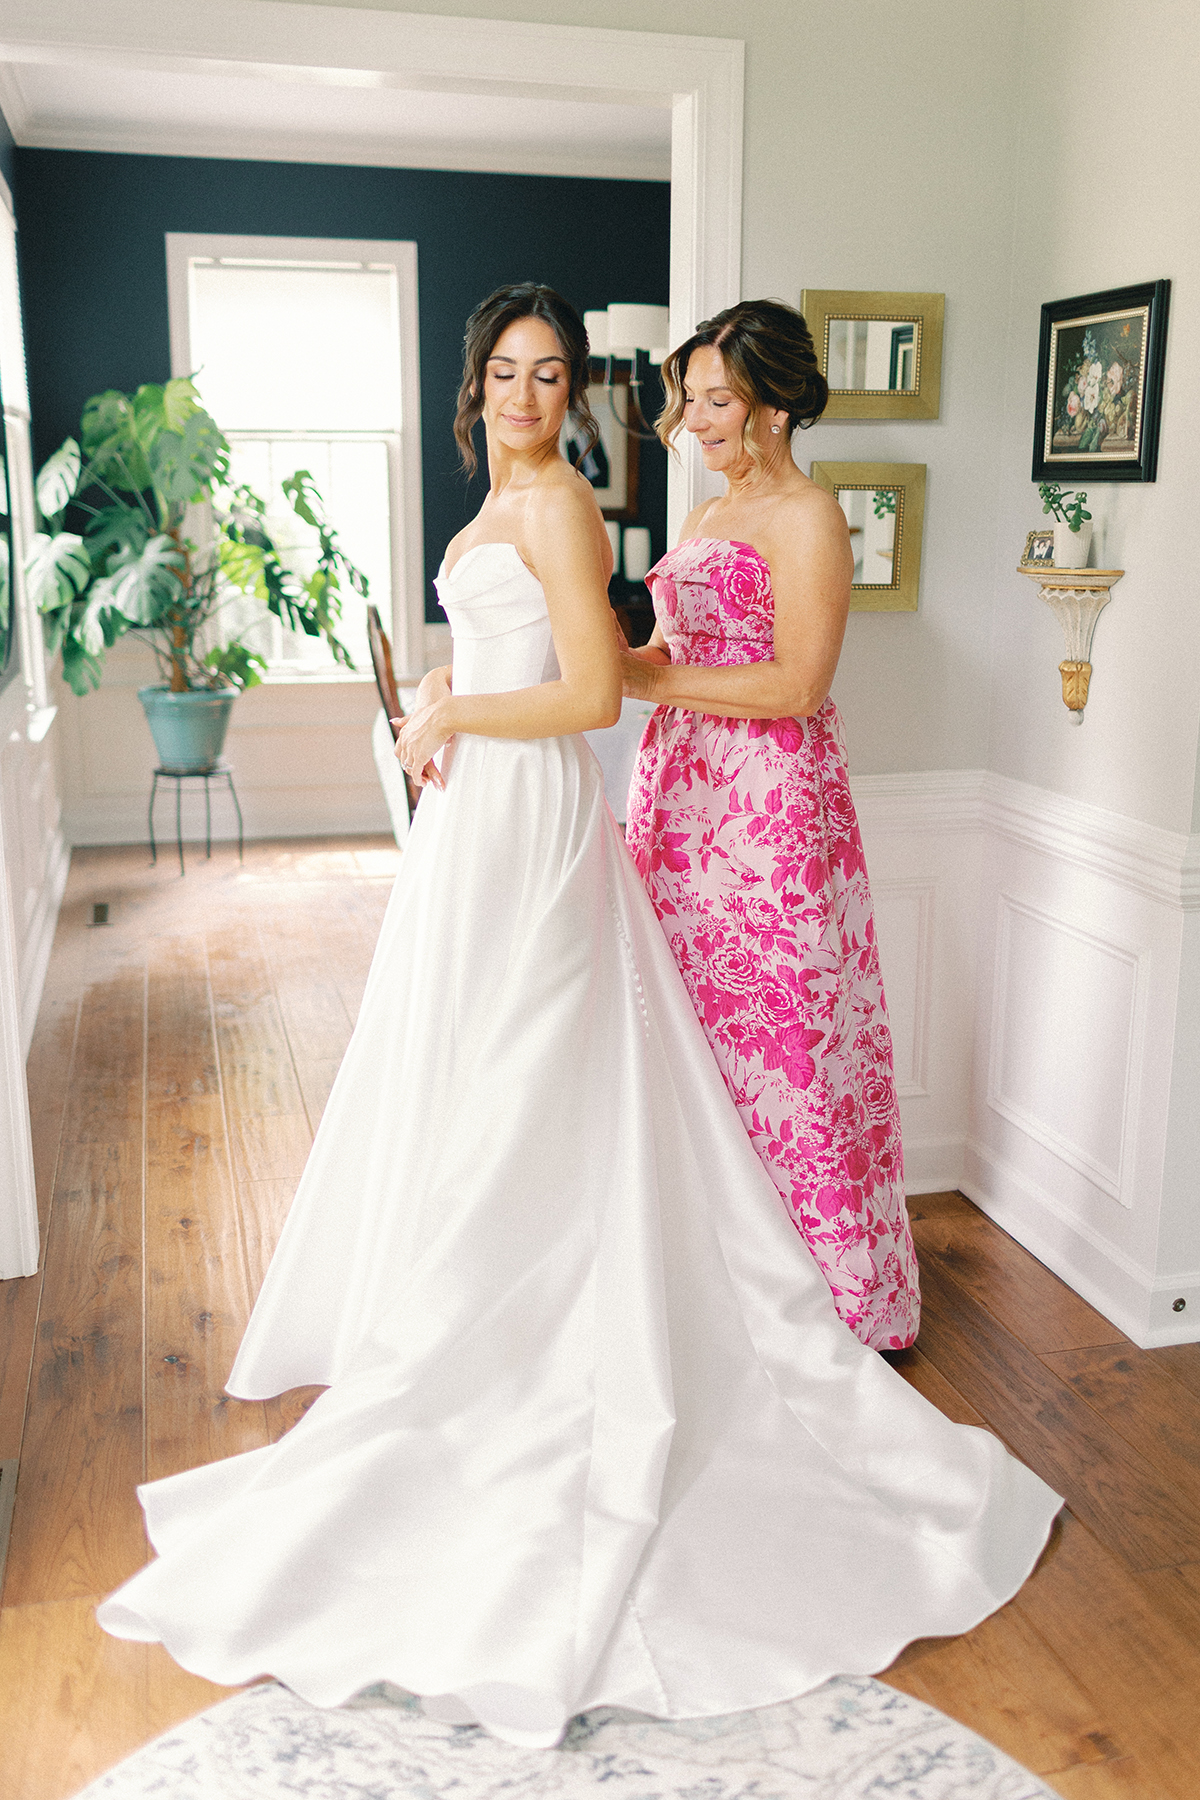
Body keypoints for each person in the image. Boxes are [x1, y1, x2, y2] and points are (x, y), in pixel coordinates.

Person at [97, 285, 1060, 1750]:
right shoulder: (558, 508)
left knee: (618, 1069)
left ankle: (617, 1327)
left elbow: (639, 682)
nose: (536, 395)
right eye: (509, 372)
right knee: (589, 1073)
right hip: (608, 808)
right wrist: (446, 695)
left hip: (668, 805)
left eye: (556, 374)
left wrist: (472, 716)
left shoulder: (614, 512)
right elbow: (562, 670)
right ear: (476, 384)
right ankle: (507, 1305)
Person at [622, 299, 919, 1351]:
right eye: (687, 399)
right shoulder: (705, 517)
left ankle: (822, 1290)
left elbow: (797, 687)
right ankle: (704, 1272)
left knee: (784, 1035)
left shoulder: (810, 519)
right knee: (684, 1026)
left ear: (778, 404)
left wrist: (640, 682)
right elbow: (668, 653)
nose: (691, 422)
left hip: (768, 811)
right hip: (677, 796)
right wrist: (596, 665)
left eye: (715, 400)